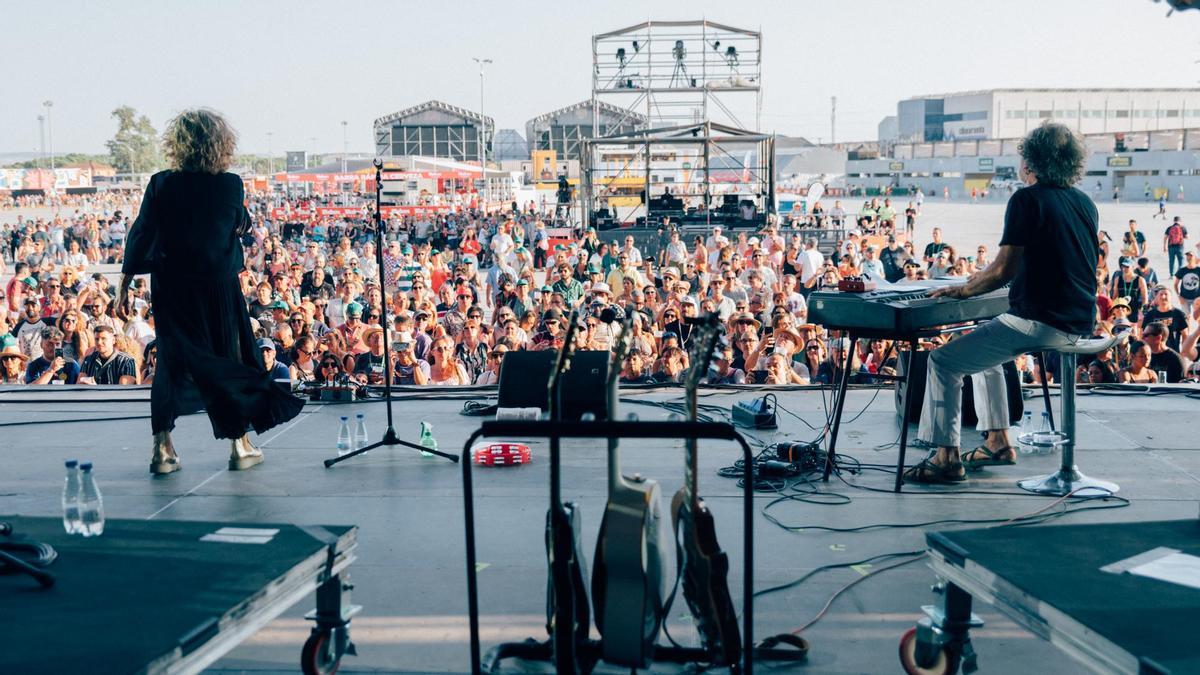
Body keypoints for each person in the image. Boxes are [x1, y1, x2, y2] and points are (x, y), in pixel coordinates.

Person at [908, 123, 1099, 484]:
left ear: (1031, 162)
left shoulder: (1027, 199)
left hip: (1042, 321)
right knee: (985, 350)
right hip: (1078, 319)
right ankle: (997, 440)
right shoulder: (1084, 202)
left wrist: (963, 290)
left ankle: (945, 457)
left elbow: (1002, 270)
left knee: (943, 361)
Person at [119, 108, 304, 475]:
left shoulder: (161, 183)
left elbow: (142, 232)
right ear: (221, 144)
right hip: (217, 287)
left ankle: (163, 449)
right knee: (230, 355)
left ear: (178, 144)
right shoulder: (230, 184)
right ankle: (239, 444)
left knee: (173, 358)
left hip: (172, 286)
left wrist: (125, 281)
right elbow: (238, 223)